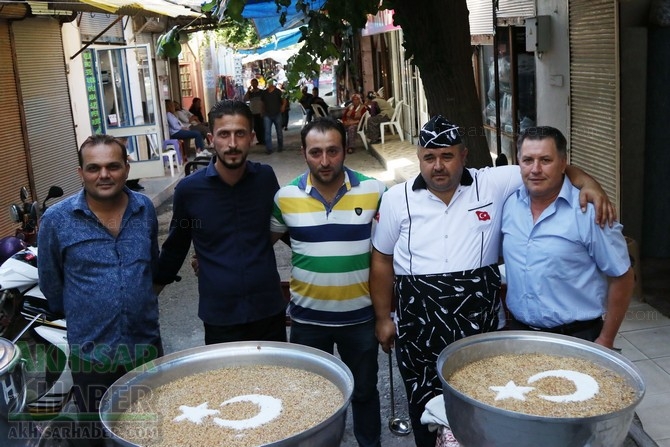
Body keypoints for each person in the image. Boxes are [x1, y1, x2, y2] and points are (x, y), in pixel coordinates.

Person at [369, 115, 616, 447]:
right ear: (419, 159)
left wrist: (589, 184)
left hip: (477, 327)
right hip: (419, 328)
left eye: (447, 156)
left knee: (483, 406)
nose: (438, 166)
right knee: (423, 409)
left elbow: (547, 166)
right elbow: (382, 260)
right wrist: (384, 317)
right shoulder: (396, 198)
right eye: (429, 157)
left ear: (464, 155)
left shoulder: (493, 182)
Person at [38, 134, 163, 444]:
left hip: (145, 347)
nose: (104, 175)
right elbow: (51, 284)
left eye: (113, 166)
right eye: (93, 168)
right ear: (80, 173)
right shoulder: (56, 220)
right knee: (98, 435)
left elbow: (152, 265)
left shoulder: (144, 209)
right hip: (91, 356)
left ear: (127, 168)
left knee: (151, 428)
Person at [271, 117, 386, 447]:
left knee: (364, 391)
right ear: (303, 153)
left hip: (360, 319)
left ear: (346, 150)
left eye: (333, 151)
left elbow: (394, 248)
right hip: (308, 321)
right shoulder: (285, 197)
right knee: (313, 397)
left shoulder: (376, 191)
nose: (325, 161)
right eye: (316, 152)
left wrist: (384, 317)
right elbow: (264, 242)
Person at [155, 100, 287, 345]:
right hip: (220, 318)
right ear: (210, 139)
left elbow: (288, 228)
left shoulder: (265, 179)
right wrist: (150, 296)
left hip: (269, 311)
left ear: (252, 137)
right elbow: (176, 246)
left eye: (240, 134)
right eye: (224, 134)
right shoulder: (189, 190)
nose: (233, 143)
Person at [502, 126, 634, 347]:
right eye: (527, 160)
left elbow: (623, 276)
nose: (535, 169)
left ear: (563, 163)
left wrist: (606, 339)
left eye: (545, 160)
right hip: (519, 335)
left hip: (576, 337)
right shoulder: (509, 204)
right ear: (518, 162)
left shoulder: (590, 212)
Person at [261, 80, 285, 153]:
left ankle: (280, 146)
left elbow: (284, 100)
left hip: (277, 113)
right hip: (267, 115)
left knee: (279, 132)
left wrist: (283, 106)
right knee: (267, 132)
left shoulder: (278, 91)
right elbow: (262, 103)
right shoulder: (264, 93)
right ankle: (269, 148)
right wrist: (262, 111)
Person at [244, 78, 265, 145]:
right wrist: (248, 90)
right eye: (252, 83)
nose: (254, 85)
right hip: (253, 112)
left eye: (255, 83)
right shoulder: (250, 93)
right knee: (256, 128)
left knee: (262, 127)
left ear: (257, 83)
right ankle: (260, 140)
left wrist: (263, 111)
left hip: (260, 112)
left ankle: (264, 140)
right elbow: (245, 99)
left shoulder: (261, 92)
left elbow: (264, 102)